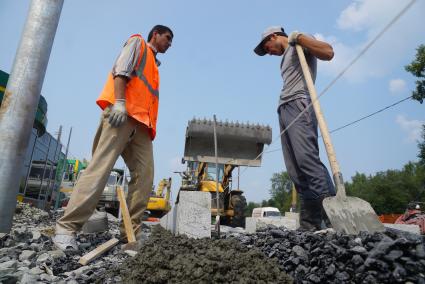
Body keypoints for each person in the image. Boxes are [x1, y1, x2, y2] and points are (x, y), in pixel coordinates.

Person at [53, 25, 173, 250]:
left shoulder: (155, 66)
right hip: (122, 115)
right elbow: (121, 71)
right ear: (155, 35)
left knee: (145, 177)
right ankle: (66, 229)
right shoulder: (137, 43)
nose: (169, 44)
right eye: (167, 38)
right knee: (100, 169)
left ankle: (130, 234)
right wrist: (119, 103)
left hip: (142, 127)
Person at [254, 26, 336, 231]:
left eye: (268, 47)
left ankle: (333, 215)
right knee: (296, 171)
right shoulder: (285, 56)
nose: (269, 53)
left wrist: (299, 38)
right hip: (284, 109)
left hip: (299, 103)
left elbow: (328, 52)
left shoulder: (300, 41)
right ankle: (310, 224)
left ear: (273, 37)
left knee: (306, 160)